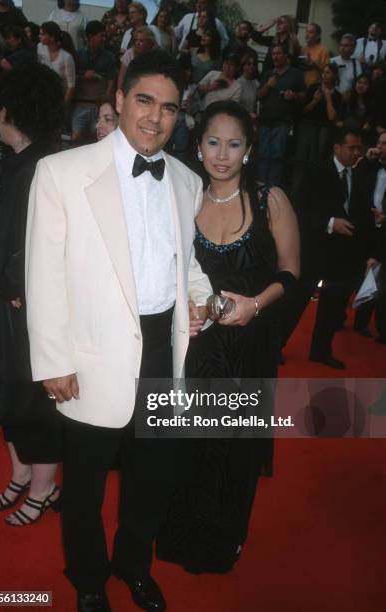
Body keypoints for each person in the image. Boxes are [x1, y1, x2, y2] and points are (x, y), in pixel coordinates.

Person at [25, 49, 212, 612]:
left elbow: (189, 262)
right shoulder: (60, 171)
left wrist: (199, 298)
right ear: (119, 101)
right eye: (144, 101)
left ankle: (133, 567)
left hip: (163, 352)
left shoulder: (186, 180)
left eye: (170, 108)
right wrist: (53, 359)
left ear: (182, 116)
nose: (155, 118)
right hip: (90, 357)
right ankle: (86, 579)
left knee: (151, 481)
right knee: (82, 489)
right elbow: (43, 272)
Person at [156, 99, 299, 574]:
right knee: (187, 446)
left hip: (248, 349)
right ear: (198, 147)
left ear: (249, 149)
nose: (222, 154)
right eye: (213, 142)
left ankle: (224, 539)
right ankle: (177, 534)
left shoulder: (269, 200)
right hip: (195, 348)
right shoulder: (183, 198)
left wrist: (255, 305)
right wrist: (186, 311)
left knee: (234, 450)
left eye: (233, 144)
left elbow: (292, 274)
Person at [0, 63, 65, 525]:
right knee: (5, 394)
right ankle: (20, 475)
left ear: (9, 111)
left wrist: (14, 286)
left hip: (28, 307)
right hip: (3, 303)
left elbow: (44, 239)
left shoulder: (44, 166)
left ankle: (44, 487)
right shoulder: (20, 161)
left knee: (35, 401)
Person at [301, 128, 375, 368]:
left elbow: (362, 213)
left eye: (359, 148)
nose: (357, 152)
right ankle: (276, 346)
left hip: (344, 256)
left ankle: (321, 352)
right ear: (337, 147)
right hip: (315, 250)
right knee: (297, 302)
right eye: (352, 147)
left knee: (332, 309)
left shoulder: (360, 176)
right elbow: (300, 209)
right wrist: (331, 223)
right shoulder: (317, 172)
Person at [257, 43, 305, 187]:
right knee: (263, 156)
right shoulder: (267, 74)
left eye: (278, 54)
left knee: (277, 158)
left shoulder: (296, 74)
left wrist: (294, 95)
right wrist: (268, 85)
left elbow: (304, 96)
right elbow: (258, 95)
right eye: (273, 54)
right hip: (265, 121)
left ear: (285, 56)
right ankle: (260, 187)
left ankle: (272, 190)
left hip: (283, 123)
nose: (275, 57)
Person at [353, 133, 386, 342]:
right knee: (357, 271)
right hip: (364, 228)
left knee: (379, 278)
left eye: (385, 144)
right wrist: (366, 159)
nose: (380, 146)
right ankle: (345, 318)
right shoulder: (368, 166)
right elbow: (355, 185)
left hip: (384, 231)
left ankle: (373, 326)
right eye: (379, 142)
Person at [293, 63, 344, 192]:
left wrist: (328, 99)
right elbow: (303, 110)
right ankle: (296, 188)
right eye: (323, 72)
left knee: (316, 161)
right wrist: (314, 101)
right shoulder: (313, 88)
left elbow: (332, 117)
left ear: (334, 75)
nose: (324, 75)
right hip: (307, 126)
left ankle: (310, 190)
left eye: (328, 73)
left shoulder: (337, 96)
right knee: (301, 158)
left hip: (324, 130)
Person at [71, 20, 116, 144]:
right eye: (101, 35)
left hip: (98, 106)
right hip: (80, 105)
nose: (104, 38)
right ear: (91, 36)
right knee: (75, 139)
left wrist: (105, 101)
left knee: (98, 140)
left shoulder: (109, 57)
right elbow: (70, 78)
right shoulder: (77, 54)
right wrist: (83, 77)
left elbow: (112, 80)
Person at [37, 21, 76, 106]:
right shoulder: (40, 47)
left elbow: (71, 86)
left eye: (42, 34)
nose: (39, 36)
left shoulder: (66, 57)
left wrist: (63, 106)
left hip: (59, 97)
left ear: (52, 37)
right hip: (42, 95)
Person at [117, 25, 156, 90]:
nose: (137, 43)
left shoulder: (154, 56)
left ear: (149, 43)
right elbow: (122, 76)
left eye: (141, 41)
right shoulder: (129, 53)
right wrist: (119, 92)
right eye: (136, 40)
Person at [300, 23, 330, 87]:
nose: (307, 34)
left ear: (317, 36)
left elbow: (327, 72)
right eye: (306, 31)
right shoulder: (303, 49)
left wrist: (313, 64)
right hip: (302, 87)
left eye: (310, 32)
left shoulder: (323, 50)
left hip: (315, 87)